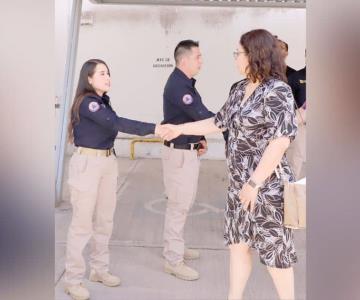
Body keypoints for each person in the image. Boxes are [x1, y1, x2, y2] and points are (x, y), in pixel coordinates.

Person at [161, 29, 298, 300]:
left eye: (239, 53)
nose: (235, 57)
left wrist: (254, 183)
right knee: (238, 246)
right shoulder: (238, 89)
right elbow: (217, 121)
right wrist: (179, 129)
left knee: (275, 255)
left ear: (255, 55)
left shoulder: (278, 91)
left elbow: (280, 142)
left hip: (267, 188)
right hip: (239, 187)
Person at [64, 59, 168, 300]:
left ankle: (99, 270)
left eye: (108, 73)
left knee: (105, 220)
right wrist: (156, 127)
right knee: (82, 225)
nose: (107, 77)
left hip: (107, 163)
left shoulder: (103, 102)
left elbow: (114, 122)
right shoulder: (88, 104)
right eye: (101, 73)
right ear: (88, 79)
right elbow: (116, 123)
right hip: (88, 165)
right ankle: (72, 279)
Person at [161, 40, 215, 281]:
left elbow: (189, 120)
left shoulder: (185, 84)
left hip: (187, 150)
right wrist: (229, 121)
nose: (201, 61)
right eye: (198, 57)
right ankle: (173, 260)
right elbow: (200, 114)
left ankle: (176, 247)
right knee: (178, 205)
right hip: (179, 154)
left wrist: (200, 137)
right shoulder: (179, 86)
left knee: (183, 203)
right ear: (184, 60)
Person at [287, 65, 306, 179]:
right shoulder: (295, 77)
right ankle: (290, 190)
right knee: (296, 158)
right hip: (301, 126)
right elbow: (287, 103)